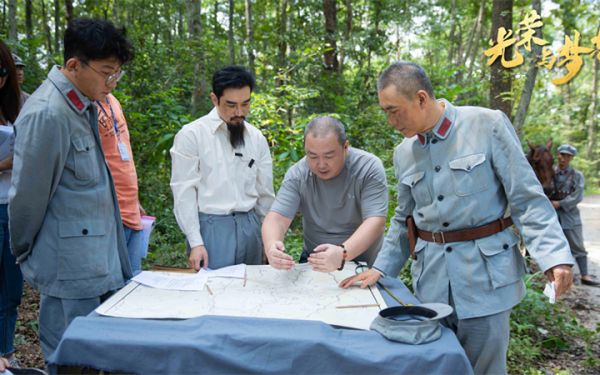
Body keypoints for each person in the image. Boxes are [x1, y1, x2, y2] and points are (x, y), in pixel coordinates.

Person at [340, 62, 574, 375]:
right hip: (431, 283)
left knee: (485, 369)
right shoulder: (404, 152)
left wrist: (555, 256)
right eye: (385, 111)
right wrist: (381, 268)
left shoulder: (486, 125)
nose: (390, 121)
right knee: (436, 367)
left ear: (421, 99)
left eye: (394, 110)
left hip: (485, 280)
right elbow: (403, 219)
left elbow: (526, 199)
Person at [8, 18, 134, 360]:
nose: (112, 83)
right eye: (107, 73)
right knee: (72, 359)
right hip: (69, 270)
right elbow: (27, 200)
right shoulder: (48, 113)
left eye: (117, 74)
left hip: (98, 264)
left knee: (99, 357)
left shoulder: (82, 105)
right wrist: (25, 253)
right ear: (74, 65)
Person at [170, 66, 275, 271]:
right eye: (231, 105)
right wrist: (195, 242)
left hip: (250, 228)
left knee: (253, 293)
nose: (239, 112)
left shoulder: (256, 138)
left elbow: (265, 194)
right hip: (211, 231)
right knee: (213, 295)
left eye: (245, 104)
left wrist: (268, 239)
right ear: (214, 99)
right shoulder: (191, 135)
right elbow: (184, 192)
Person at [262, 116, 388, 272]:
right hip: (315, 264)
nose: (321, 165)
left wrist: (342, 253)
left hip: (365, 265)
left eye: (329, 156)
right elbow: (277, 219)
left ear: (345, 147)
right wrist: (271, 246)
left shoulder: (368, 168)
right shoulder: (298, 174)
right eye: (312, 156)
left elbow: (375, 222)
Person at [96, 94, 146, 274]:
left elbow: (121, 156)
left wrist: (134, 200)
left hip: (130, 210)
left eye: (117, 72)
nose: (113, 79)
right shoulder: (83, 104)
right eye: (107, 71)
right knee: (112, 287)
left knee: (132, 282)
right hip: (108, 213)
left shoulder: (113, 100)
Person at [0, 40, 22, 369]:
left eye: (3, 73)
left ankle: (6, 350)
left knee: (10, 288)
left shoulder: (19, 108)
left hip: (11, 208)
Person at [551, 144, 599, 287]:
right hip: (551, 215)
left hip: (570, 215)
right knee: (553, 245)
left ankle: (584, 274)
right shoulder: (550, 172)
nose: (562, 158)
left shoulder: (577, 175)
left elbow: (577, 196)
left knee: (577, 246)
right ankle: (557, 276)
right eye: (561, 154)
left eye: (566, 155)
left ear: (571, 158)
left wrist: (560, 204)